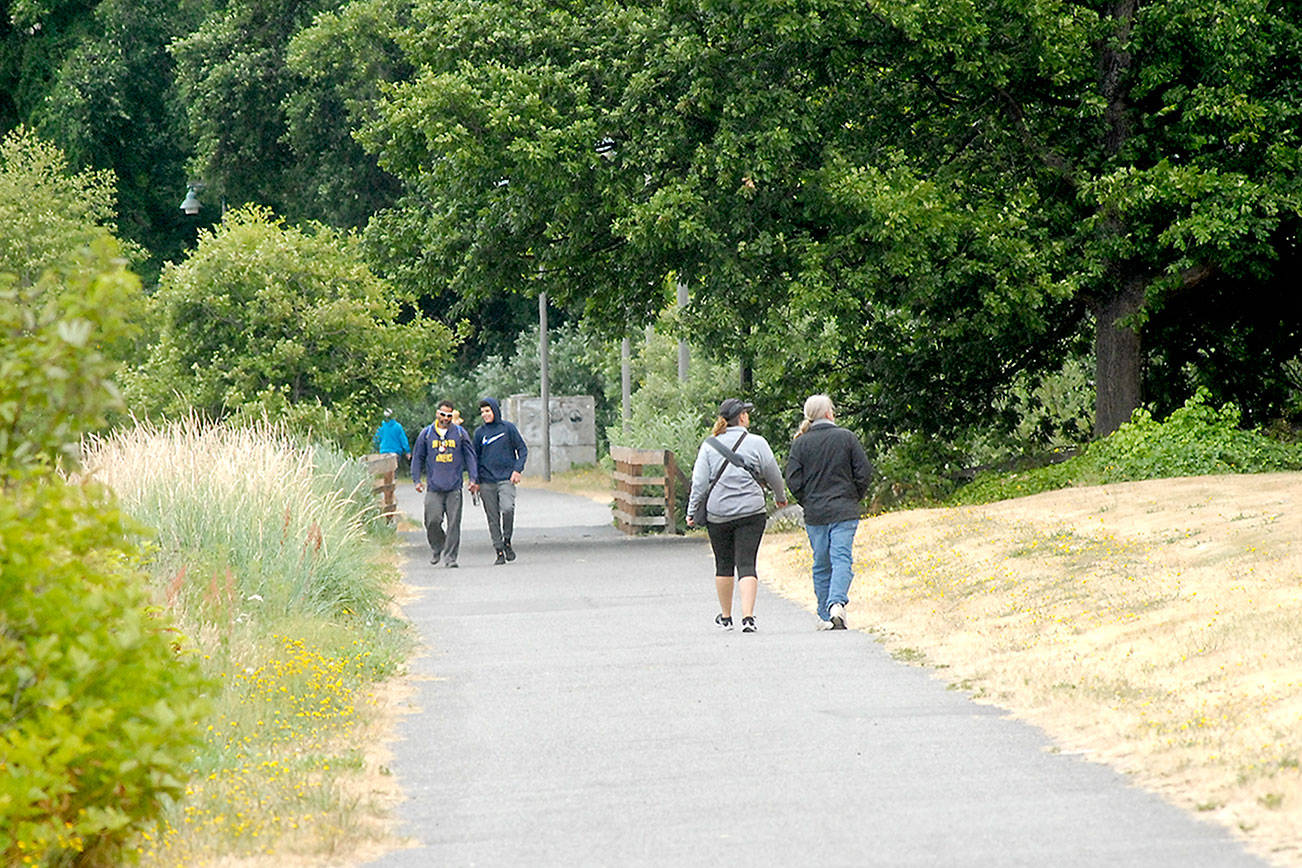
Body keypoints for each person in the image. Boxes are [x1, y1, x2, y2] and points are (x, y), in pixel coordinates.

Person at [685, 398, 787, 633]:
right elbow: (773, 475)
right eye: (746, 413)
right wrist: (779, 497)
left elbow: (699, 484)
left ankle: (726, 616)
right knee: (747, 563)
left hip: (718, 513)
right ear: (741, 417)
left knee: (723, 564)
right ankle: (748, 617)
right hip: (751, 511)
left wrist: (692, 512)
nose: (748, 417)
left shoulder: (709, 445)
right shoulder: (757, 443)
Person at [783, 394, 873, 630]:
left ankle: (825, 614)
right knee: (841, 557)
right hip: (844, 510)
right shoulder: (846, 438)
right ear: (829, 413)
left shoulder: (800, 444)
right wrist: (853, 497)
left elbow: (793, 480)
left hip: (816, 513)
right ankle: (836, 605)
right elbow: (863, 472)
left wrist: (806, 500)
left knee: (821, 561)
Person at [411, 400, 478, 567]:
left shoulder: (460, 433)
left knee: (454, 523)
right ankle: (437, 546)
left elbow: (470, 457)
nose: (445, 418)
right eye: (443, 414)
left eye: (449, 415)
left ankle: (450, 558)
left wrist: (473, 478)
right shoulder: (426, 434)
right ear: (437, 414)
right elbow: (418, 457)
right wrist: (417, 480)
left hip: (454, 486)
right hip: (434, 487)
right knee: (432, 521)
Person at [470, 397, 529, 565]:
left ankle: (507, 540)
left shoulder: (507, 428)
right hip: (486, 481)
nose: (485, 415)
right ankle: (499, 550)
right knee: (492, 517)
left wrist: (517, 469)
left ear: (495, 411)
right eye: (482, 412)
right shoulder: (480, 433)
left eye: (487, 411)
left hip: (506, 478)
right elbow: (474, 457)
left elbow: (522, 449)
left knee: (507, 508)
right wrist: (474, 480)